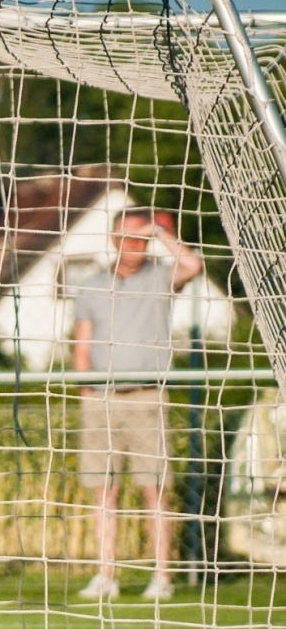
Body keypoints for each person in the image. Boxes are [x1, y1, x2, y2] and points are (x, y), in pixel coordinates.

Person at [71, 208, 203, 601]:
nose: (132, 245)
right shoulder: (92, 285)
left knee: (154, 489)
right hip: (102, 400)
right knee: (103, 491)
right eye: (124, 237)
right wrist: (87, 394)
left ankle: (161, 578)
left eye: (139, 237)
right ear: (111, 240)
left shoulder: (161, 277)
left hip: (147, 397)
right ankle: (105, 576)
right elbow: (82, 345)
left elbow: (192, 264)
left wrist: (158, 230)